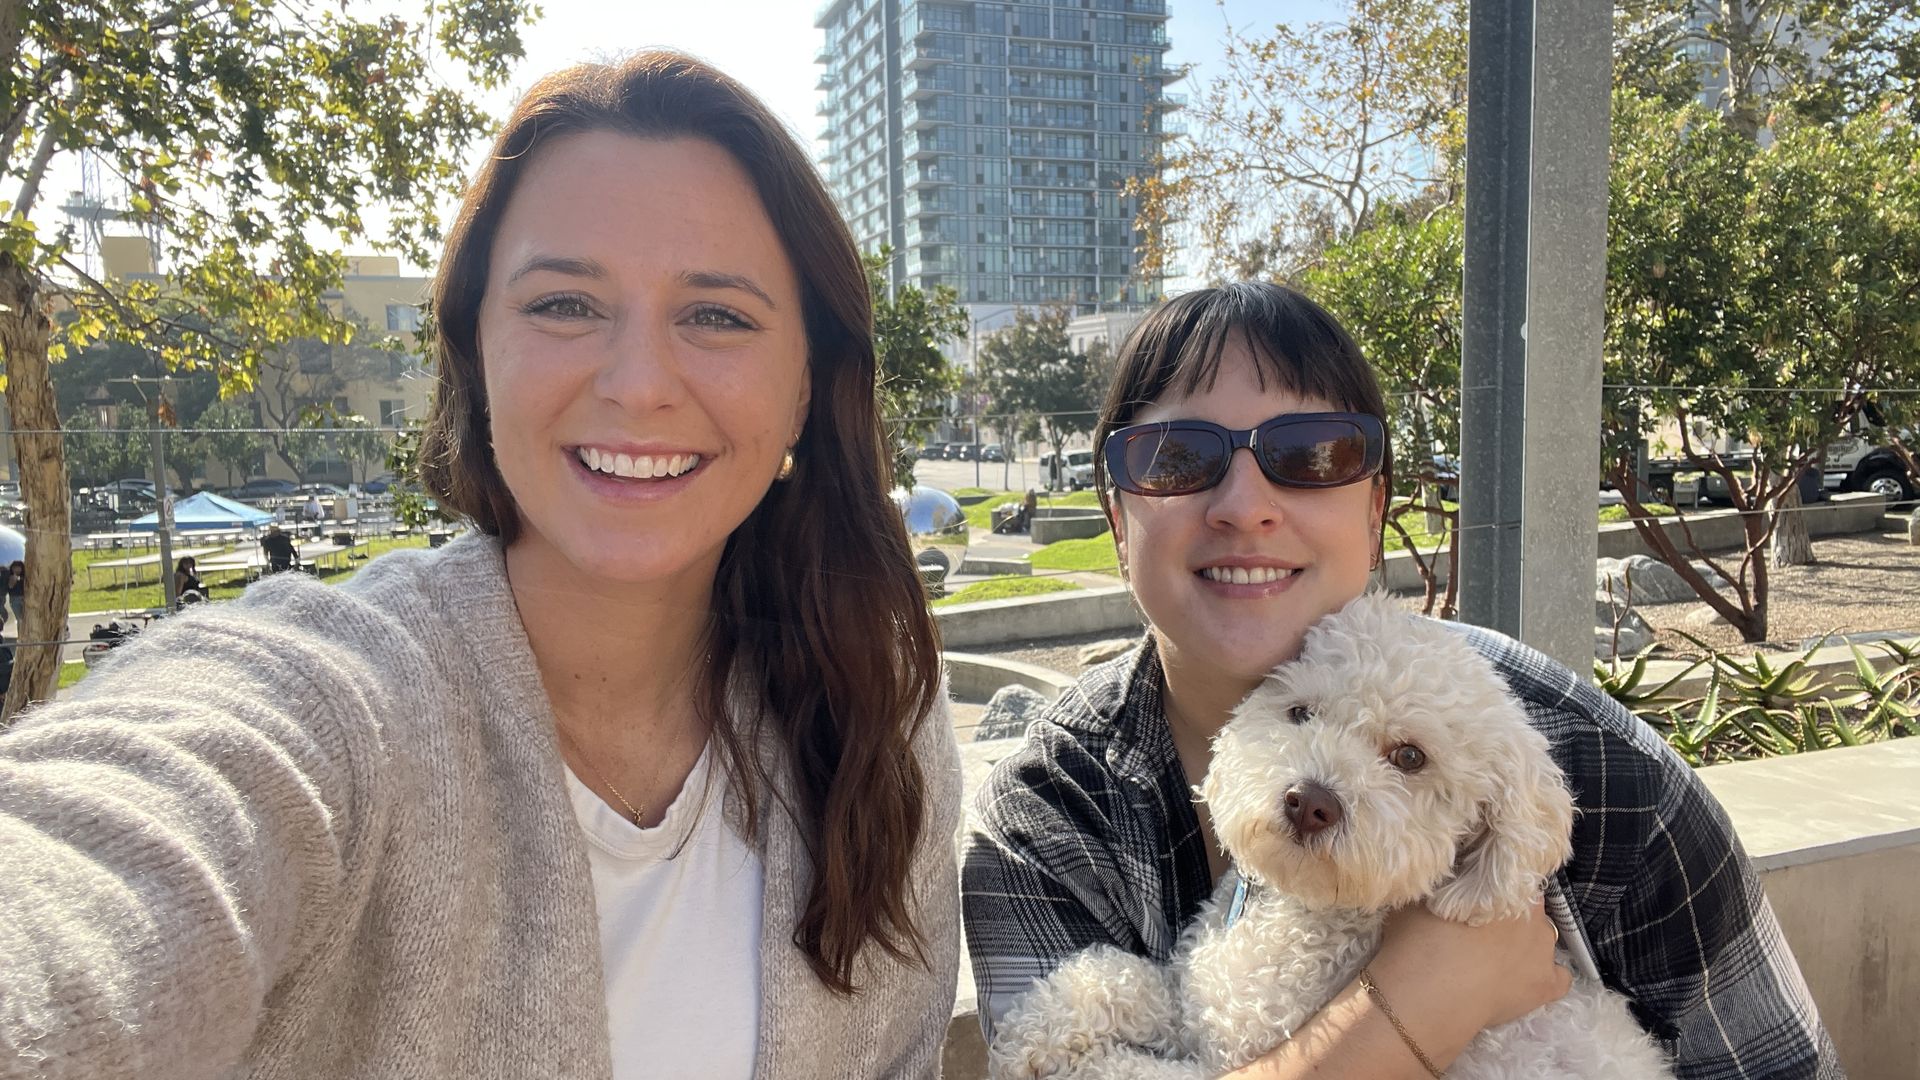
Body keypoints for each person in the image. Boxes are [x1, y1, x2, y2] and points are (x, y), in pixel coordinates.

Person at [0, 51, 959, 1079]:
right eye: (564, 305)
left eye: (716, 316)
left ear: (807, 391)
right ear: (477, 354)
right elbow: (110, 853)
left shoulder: (878, 704)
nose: (638, 386)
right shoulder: (339, 704)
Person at [961, 283, 1840, 1079]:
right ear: (1118, 516)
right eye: (1177, 458)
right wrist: (1416, 1007)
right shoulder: (1046, 814)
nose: (1243, 504)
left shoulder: (1606, 776)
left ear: (1377, 510)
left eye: (1310, 454)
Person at [5, 559, 23, 627]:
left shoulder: (23, 577)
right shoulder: (10, 577)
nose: (17, 569)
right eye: (15, 567)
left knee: (23, 619)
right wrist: (14, 577)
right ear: (12, 568)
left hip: (23, 599)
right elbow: (10, 586)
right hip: (15, 600)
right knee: (20, 619)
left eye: (19, 567)